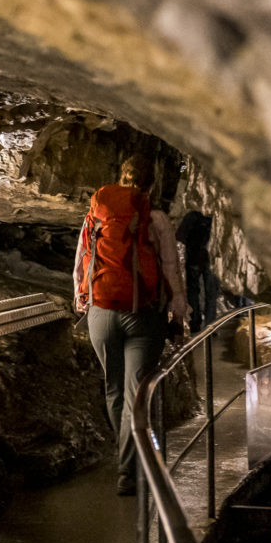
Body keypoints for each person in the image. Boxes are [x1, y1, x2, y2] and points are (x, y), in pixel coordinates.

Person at [73, 154, 188, 496]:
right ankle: (128, 471)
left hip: (100, 311)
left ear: (120, 178)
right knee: (136, 393)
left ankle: (125, 452)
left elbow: (82, 259)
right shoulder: (155, 219)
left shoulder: (96, 213)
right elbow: (170, 270)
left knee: (114, 390)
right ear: (152, 184)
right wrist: (179, 315)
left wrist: (82, 298)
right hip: (143, 314)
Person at [175, 210, 218, 334]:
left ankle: (195, 323)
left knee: (193, 291)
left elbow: (180, 236)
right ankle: (211, 325)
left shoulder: (191, 217)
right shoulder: (214, 218)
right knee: (211, 294)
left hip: (194, 258)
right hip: (211, 260)